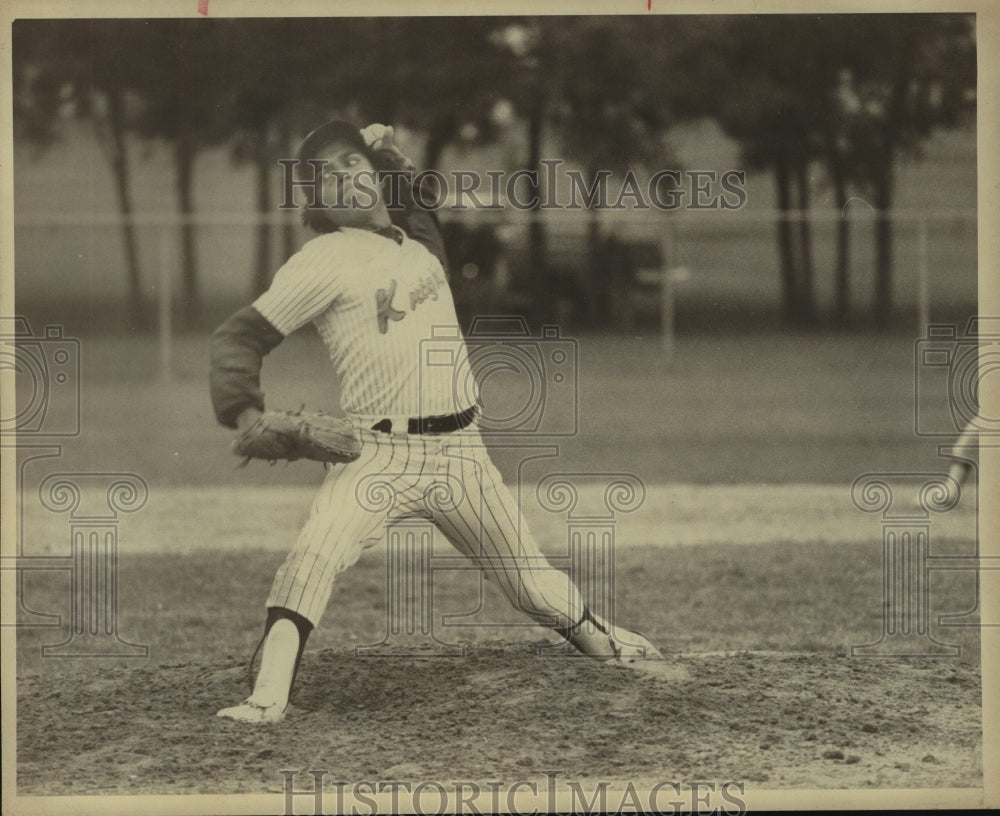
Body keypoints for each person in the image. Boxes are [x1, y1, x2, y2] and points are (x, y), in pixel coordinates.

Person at [209, 121, 661, 724]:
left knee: (530, 584)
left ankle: (602, 640)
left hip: (463, 455)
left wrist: (394, 157)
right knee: (314, 557)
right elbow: (238, 337)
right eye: (329, 173)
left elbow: (419, 207)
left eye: (353, 161)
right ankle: (267, 695)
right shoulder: (323, 259)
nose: (346, 175)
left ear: (373, 175)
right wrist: (245, 414)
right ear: (318, 201)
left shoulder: (417, 246)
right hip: (378, 455)